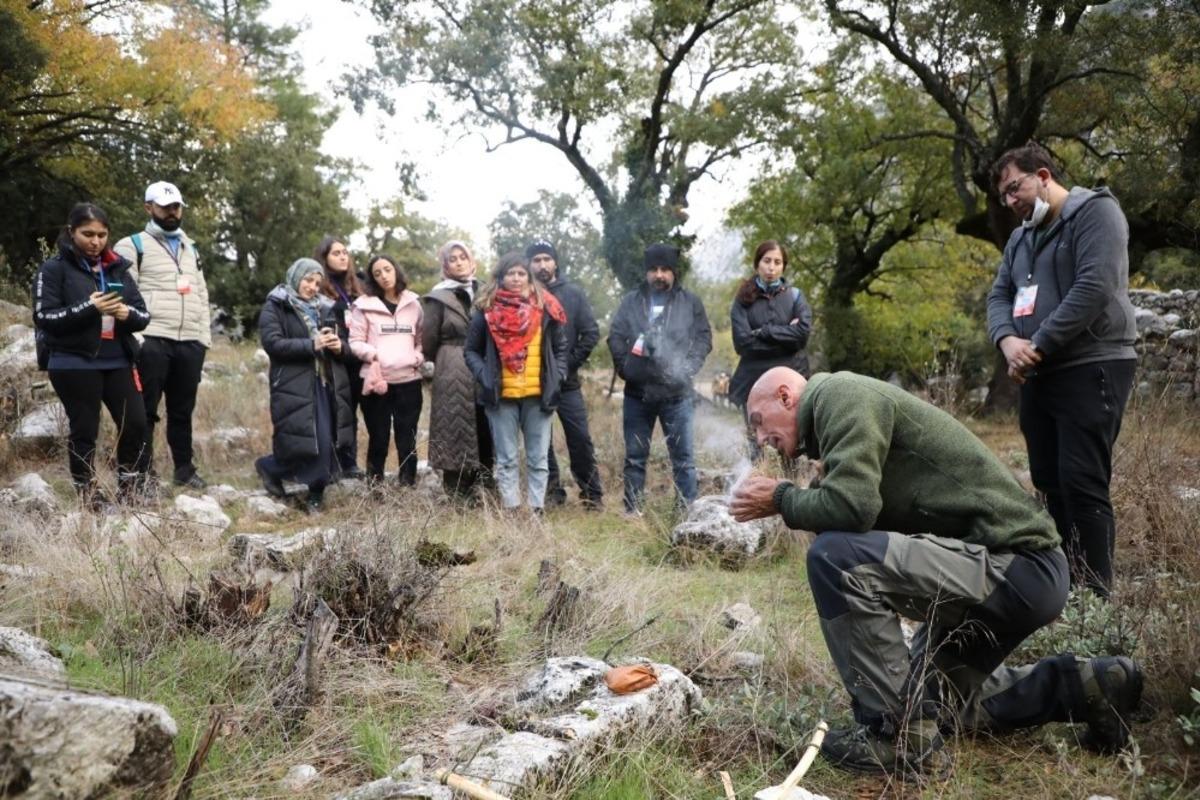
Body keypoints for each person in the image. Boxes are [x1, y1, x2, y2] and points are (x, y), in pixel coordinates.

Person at [730, 367, 1143, 775]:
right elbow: (846, 508)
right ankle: (1091, 685)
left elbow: (852, 509)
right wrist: (795, 499)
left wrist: (781, 499)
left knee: (833, 558)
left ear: (786, 397)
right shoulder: (837, 427)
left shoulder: (840, 394)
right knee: (932, 706)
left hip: (1017, 566)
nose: (762, 440)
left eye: (759, 423)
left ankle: (897, 739)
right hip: (1019, 576)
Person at [986, 143, 1137, 598]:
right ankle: (1063, 592)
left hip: (1093, 365)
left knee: (1082, 482)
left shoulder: (1096, 213)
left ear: (1045, 175)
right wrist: (1009, 341)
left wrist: (1039, 345)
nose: (1011, 202)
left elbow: (1095, 286)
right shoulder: (1019, 239)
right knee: (1049, 484)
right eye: (1004, 196)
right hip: (1037, 375)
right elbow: (998, 298)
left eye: (1016, 188)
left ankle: (1097, 599)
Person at [32, 202, 151, 508]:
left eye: (101, 234)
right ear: (71, 232)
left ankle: (129, 489)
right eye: (87, 234)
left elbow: (143, 316)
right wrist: (90, 307)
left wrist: (125, 312)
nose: (95, 241)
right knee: (85, 430)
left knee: (136, 423)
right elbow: (44, 317)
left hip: (118, 358)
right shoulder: (54, 268)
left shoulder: (118, 267)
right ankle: (89, 496)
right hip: (73, 360)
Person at [111, 181, 211, 491]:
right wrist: (138, 340)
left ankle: (184, 469)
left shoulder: (190, 247)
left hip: (189, 342)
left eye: (176, 206)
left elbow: (202, 293)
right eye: (165, 206)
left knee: (182, 411)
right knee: (145, 411)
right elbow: (124, 294)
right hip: (151, 338)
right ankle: (143, 472)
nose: (171, 212)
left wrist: (203, 338)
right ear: (148, 207)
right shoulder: (131, 245)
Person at [607, 243, 712, 513]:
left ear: (674, 272)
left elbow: (703, 338)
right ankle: (633, 512)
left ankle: (687, 513)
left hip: (676, 394)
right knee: (635, 458)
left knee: (684, 460)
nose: (659, 275)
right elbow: (616, 336)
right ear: (646, 272)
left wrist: (688, 367)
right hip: (637, 394)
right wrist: (624, 367)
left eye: (665, 269)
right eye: (653, 269)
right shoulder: (631, 301)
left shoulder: (690, 302)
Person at [464, 252, 568, 514]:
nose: (516, 278)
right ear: (500, 277)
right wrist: (485, 377)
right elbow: (471, 351)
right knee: (507, 458)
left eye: (522, 273)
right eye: (511, 273)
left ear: (528, 277)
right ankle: (511, 509)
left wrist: (558, 376)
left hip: (539, 394)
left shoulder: (546, 308)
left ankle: (536, 510)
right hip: (501, 396)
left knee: (538, 459)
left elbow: (561, 348)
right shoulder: (485, 310)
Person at [255, 258, 355, 512]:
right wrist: (311, 345)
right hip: (293, 384)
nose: (312, 287)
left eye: (317, 283)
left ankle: (312, 490)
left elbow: (343, 342)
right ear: (295, 277)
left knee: (326, 440)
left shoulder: (324, 308)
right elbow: (273, 343)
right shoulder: (276, 305)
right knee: (307, 441)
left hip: (325, 383)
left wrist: (337, 346)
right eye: (308, 280)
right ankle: (278, 472)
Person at [526, 240, 604, 509]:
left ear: (555, 262)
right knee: (541, 443)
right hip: (533, 382)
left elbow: (591, 333)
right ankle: (552, 494)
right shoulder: (523, 294)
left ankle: (592, 495)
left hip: (567, 383)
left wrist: (567, 365)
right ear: (529, 264)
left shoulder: (573, 293)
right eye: (536, 260)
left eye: (547, 259)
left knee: (580, 438)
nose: (542, 265)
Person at [422, 241, 494, 498]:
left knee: (485, 422)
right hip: (451, 366)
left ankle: (485, 484)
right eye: (452, 259)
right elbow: (428, 341)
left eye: (463, 257)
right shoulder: (437, 297)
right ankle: (457, 490)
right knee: (455, 425)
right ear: (446, 265)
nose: (459, 262)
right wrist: (445, 361)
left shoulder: (487, 291)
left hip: (485, 364)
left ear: (472, 260)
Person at [729, 240, 811, 459]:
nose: (771, 267)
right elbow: (743, 343)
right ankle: (757, 487)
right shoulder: (743, 299)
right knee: (756, 442)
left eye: (777, 262)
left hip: (790, 382)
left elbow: (802, 335)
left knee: (791, 442)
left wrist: (764, 332)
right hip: (752, 382)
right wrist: (785, 336)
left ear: (784, 266)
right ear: (757, 264)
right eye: (767, 261)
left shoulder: (794, 297)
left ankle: (791, 489)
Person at [348, 255, 424, 486]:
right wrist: (374, 355)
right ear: (372, 278)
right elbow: (355, 341)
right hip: (376, 381)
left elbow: (421, 339)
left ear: (396, 271)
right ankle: (375, 486)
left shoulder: (414, 303)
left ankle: (408, 484)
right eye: (377, 273)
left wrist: (417, 356)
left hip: (408, 380)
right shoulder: (363, 305)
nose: (384, 276)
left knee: (407, 437)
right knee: (378, 437)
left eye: (387, 269)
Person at [315, 235, 368, 480]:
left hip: (361, 357)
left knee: (358, 411)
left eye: (345, 252)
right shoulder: (320, 287)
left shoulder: (359, 285)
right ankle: (341, 463)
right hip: (335, 359)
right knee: (340, 411)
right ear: (324, 258)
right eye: (336, 253)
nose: (342, 256)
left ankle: (353, 463)